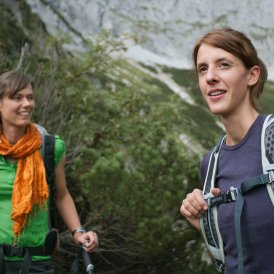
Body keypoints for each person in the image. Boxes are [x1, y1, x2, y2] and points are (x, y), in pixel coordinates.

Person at [180, 27, 273, 274]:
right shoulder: (210, 164)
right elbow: (233, 256)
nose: (210, 76)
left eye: (223, 65)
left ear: (252, 75)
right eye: (203, 69)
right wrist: (204, 223)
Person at [0, 69, 99, 274]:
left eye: (30, 97)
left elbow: (62, 195)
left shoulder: (50, 147)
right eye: (16, 98)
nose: (26, 104)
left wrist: (79, 232)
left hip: (36, 261)